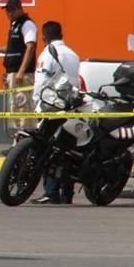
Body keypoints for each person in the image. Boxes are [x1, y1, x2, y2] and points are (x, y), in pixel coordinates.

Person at [31, 21, 81, 205]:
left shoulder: (47, 54)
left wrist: (37, 103)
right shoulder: (73, 54)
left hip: (51, 107)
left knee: (46, 148)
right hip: (71, 107)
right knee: (67, 149)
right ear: (62, 34)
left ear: (44, 37)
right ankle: (67, 192)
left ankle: (50, 191)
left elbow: (41, 81)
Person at [0, 0, 37, 140]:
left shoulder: (27, 24)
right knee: (15, 107)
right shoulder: (14, 26)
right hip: (12, 73)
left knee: (23, 106)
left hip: (21, 75)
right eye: (7, 11)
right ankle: (18, 140)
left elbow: (30, 47)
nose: (8, 14)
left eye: (10, 11)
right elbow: (14, 47)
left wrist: (21, 71)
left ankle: (26, 141)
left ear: (18, 9)